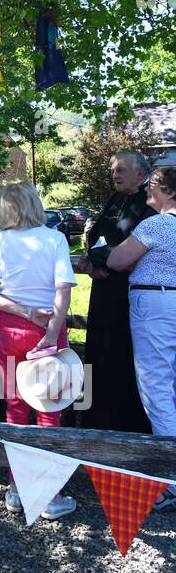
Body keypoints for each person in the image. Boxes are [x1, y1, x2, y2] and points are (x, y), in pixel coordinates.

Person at [0, 182, 78, 520]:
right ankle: (48, 493)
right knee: (50, 409)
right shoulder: (55, 239)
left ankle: (17, 488)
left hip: (9, 328)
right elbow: (63, 290)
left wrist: (22, 312)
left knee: (15, 407)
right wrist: (50, 331)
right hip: (48, 327)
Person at [106, 164, 176, 511]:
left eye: (153, 188)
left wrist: (102, 254)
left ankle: (171, 477)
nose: (147, 192)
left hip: (155, 303)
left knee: (156, 384)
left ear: (169, 193)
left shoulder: (158, 224)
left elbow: (119, 260)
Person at [76, 150, 154, 433]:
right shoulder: (115, 199)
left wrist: (104, 265)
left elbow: (134, 248)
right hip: (101, 290)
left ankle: (125, 422)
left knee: (121, 354)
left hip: (125, 290)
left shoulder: (148, 206)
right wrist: (88, 259)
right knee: (99, 350)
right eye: (113, 171)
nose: (115, 175)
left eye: (121, 170)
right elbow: (97, 235)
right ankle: (97, 419)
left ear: (141, 174)